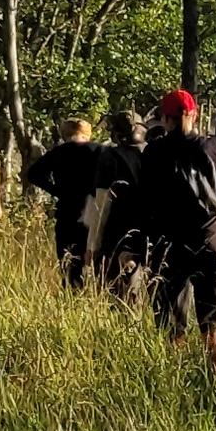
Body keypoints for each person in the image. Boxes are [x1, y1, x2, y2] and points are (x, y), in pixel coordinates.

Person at [111, 85, 216, 384]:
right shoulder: (213, 147)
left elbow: (143, 203)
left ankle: (174, 381)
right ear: (195, 114)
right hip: (211, 243)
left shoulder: (155, 152)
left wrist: (134, 245)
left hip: (168, 246)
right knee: (213, 321)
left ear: (165, 119)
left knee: (170, 321)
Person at [21, 116, 122, 291]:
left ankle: (72, 295)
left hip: (67, 212)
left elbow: (33, 174)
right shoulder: (101, 151)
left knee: (69, 267)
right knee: (99, 263)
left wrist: (57, 191)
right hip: (95, 212)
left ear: (64, 133)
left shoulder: (59, 152)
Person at [85, 109, 148, 303]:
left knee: (116, 296)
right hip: (151, 231)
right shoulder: (155, 153)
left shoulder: (110, 157)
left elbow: (101, 205)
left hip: (118, 233)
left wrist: (92, 245)